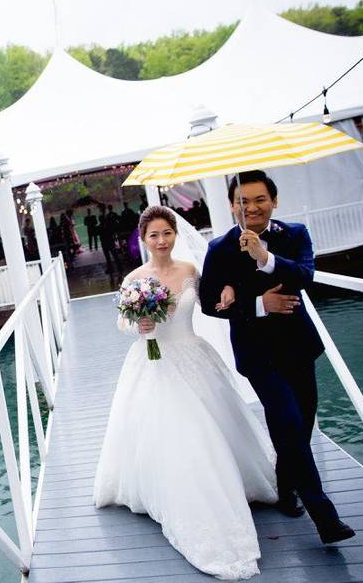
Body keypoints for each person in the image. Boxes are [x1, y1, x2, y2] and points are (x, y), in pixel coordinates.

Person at [94, 205, 278, 579]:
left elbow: (212, 297)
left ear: (175, 235)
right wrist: (140, 325)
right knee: (182, 436)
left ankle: (234, 483)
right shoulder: (135, 277)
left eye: (167, 233)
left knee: (216, 425)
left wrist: (227, 291)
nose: (161, 241)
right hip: (154, 364)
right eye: (153, 236)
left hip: (193, 356)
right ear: (143, 240)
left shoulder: (191, 270)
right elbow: (122, 322)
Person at [200, 170, 355, 546]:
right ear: (231, 205)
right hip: (258, 356)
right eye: (242, 201)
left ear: (274, 200)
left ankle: (286, 488)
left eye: (259, 199)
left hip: (299, 348)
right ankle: (325, 517)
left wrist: (265, 257)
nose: (251, 207)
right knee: (286, 421)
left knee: (298, 427)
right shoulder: (219, 248)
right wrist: (257, 304)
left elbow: (305, 276)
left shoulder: (296, 234)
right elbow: (208, 304)